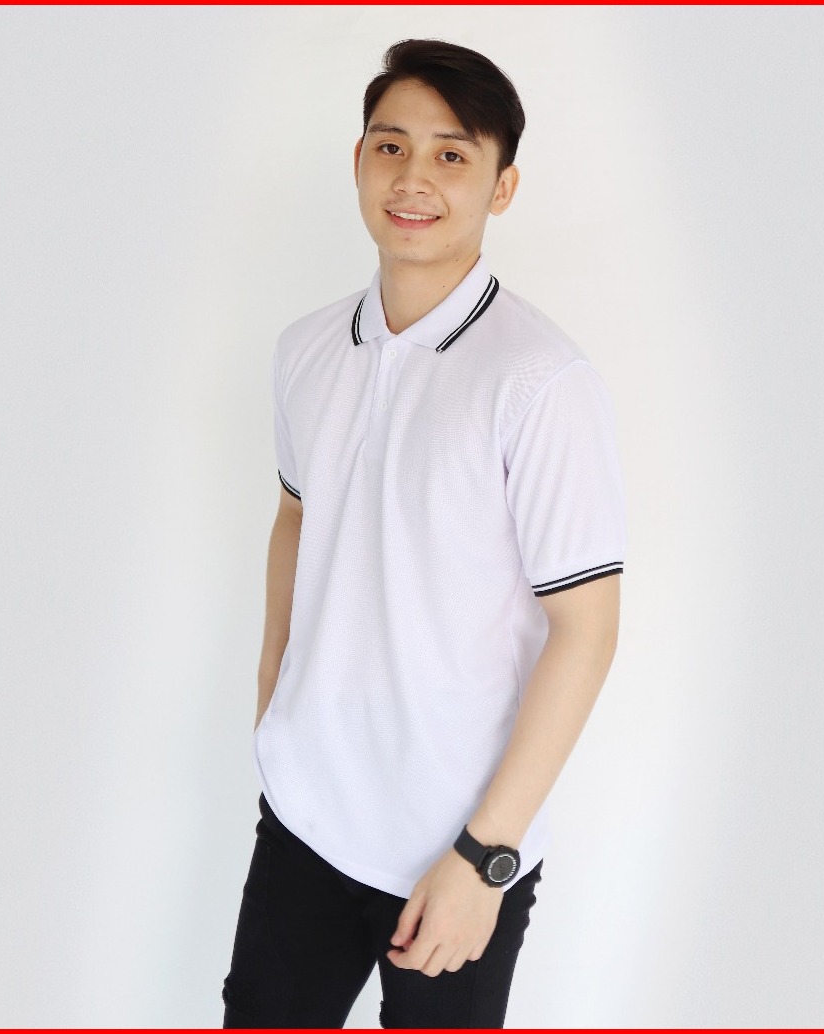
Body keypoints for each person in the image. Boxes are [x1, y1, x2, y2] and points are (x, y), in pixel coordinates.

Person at [222, 38, 627, 1029]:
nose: (413, 177)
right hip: (308, 814)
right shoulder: (305, 348)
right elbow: (296, 514)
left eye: (452, 154)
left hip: (456, 844)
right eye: (390, 145)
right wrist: (274, 693)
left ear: (502, 186)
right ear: (359, 160)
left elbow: (585, 628)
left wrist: (485, 857)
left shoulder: (541, 382)